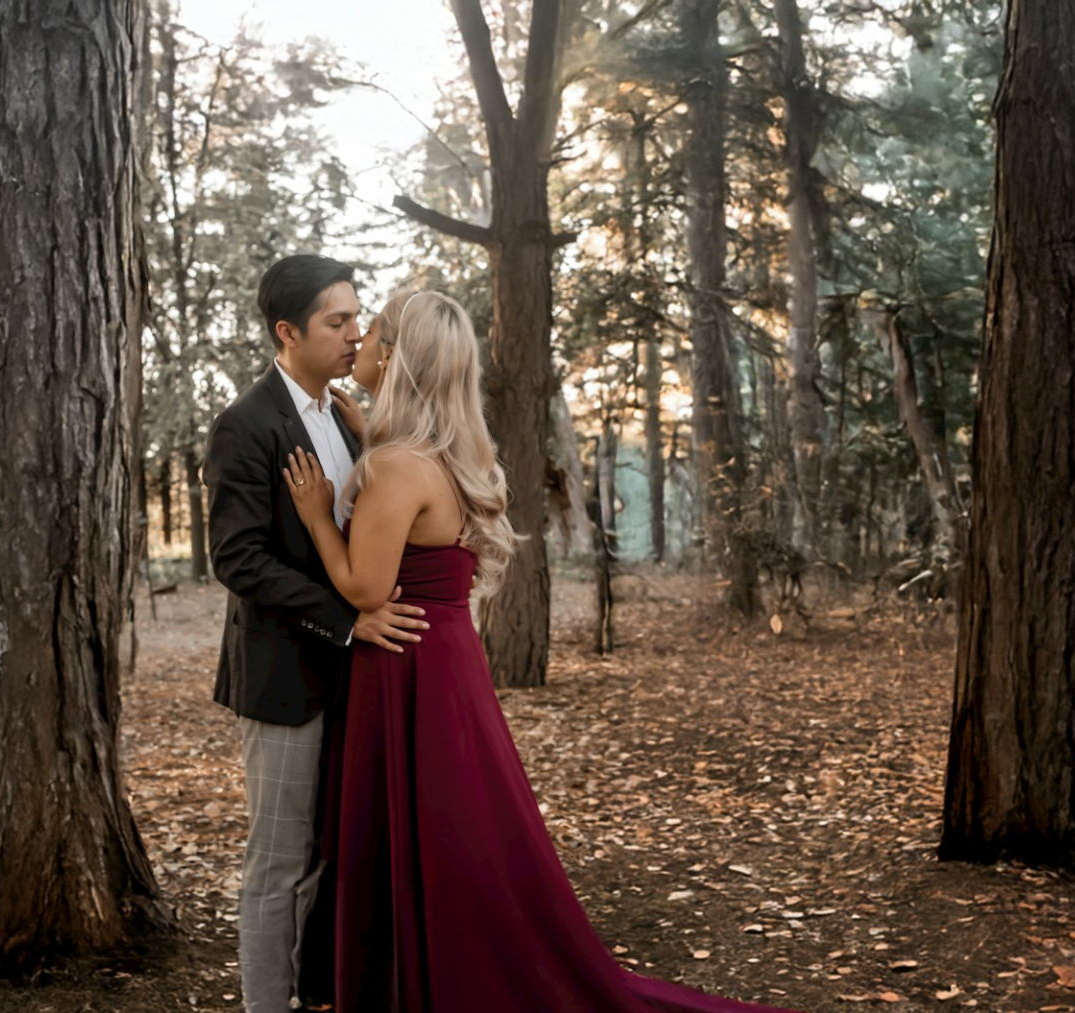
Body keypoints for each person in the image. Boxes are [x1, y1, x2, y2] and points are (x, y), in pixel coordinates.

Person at [282, 291, 797, 1013]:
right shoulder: (441, 452)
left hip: (407, 667)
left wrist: (315, 517)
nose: (358, 340)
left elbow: (367, 588)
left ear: (396, 356)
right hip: (449, 664)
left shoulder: (395, 464)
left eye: (372, 331)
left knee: (423, 833)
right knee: (461, 829)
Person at [201, 256, 429, 1013]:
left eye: (357, 317)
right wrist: (345, 620)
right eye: (337, 321)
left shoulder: (344, 415)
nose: (354, 333)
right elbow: (236, 558)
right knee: (278, 863)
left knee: (332, 857)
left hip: (355, 677)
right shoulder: (245, 423)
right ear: (287, 332)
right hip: (285, 680)